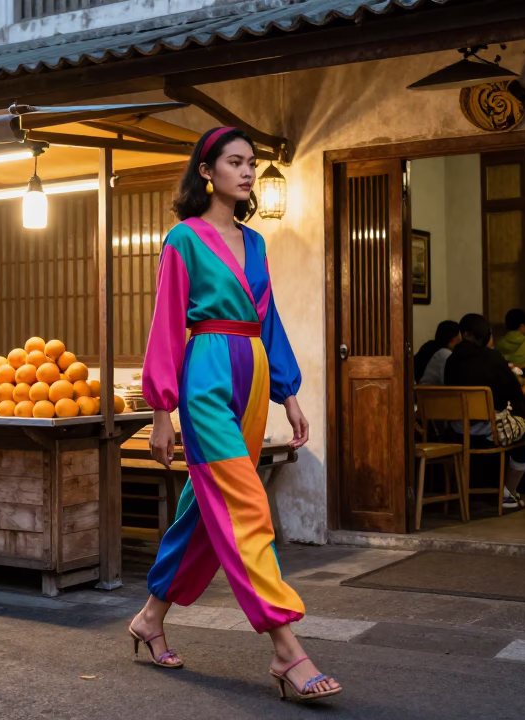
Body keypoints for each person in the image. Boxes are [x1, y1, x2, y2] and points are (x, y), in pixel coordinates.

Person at [133, 127, 341, 701]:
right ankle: (285, 647)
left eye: (252, 163)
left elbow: (268, 321)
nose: (247, 172)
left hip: (251, 377)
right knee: (247, 504)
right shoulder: (183, 239)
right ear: (208, 171)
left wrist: (290, 393)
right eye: (235, 162)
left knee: (205, 509)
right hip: (205, 376)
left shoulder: (256, 244)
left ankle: (150, 618)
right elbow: (167, 324)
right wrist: (161, 410)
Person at [444, 313, 525, 510]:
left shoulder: (451, 360)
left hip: (457, 431)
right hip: (487, 429)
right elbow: (515, 392)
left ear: (462, 334)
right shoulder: (492, 358)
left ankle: (488, 491)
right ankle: (508, 493)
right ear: (486, 335)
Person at [415, 320, 461, 386]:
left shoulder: (430, 347)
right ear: (452, 339)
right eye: (459, 339)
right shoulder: (445, 354)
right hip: (430, 394)